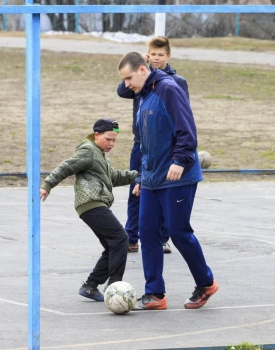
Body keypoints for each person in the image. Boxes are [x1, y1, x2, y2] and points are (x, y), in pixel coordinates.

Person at [118, 52, 218, 310]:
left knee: (177, 231)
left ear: (142, 69)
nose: (126, 83)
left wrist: (180, 160)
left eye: (129, 77)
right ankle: (155, 294)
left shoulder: (169, 89)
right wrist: (141, 176)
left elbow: (187, 129)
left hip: (177, 176)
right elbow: (144, 143)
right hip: (152, 177)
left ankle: (206, 283)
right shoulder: (142, 96)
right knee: (148, 233)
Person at [39, 118, 138, 301]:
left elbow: (113, 177)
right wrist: (48, 185)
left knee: (113, 245)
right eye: (108, 139)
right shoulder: (89, 150)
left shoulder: (99, 154)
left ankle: (90, 286)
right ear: (96, 135)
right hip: (92, 203)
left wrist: (137, 176)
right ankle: (115, 286)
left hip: (94, 204)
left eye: (115, 140)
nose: (112, 143)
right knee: (121, 238)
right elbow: (67, 166)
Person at [117, 36, 189, 255]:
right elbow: (122, 91)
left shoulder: (174, 83)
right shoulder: (140, 81)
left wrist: (179, 157)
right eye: (152, 55)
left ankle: (163, 237)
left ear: (168, 56)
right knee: (136, 189)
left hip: (165, 148)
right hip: (141, 144)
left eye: (160, 55)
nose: (156, 59)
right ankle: (132, 236)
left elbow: (182, 119)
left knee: (165, 193)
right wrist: (142, 67)